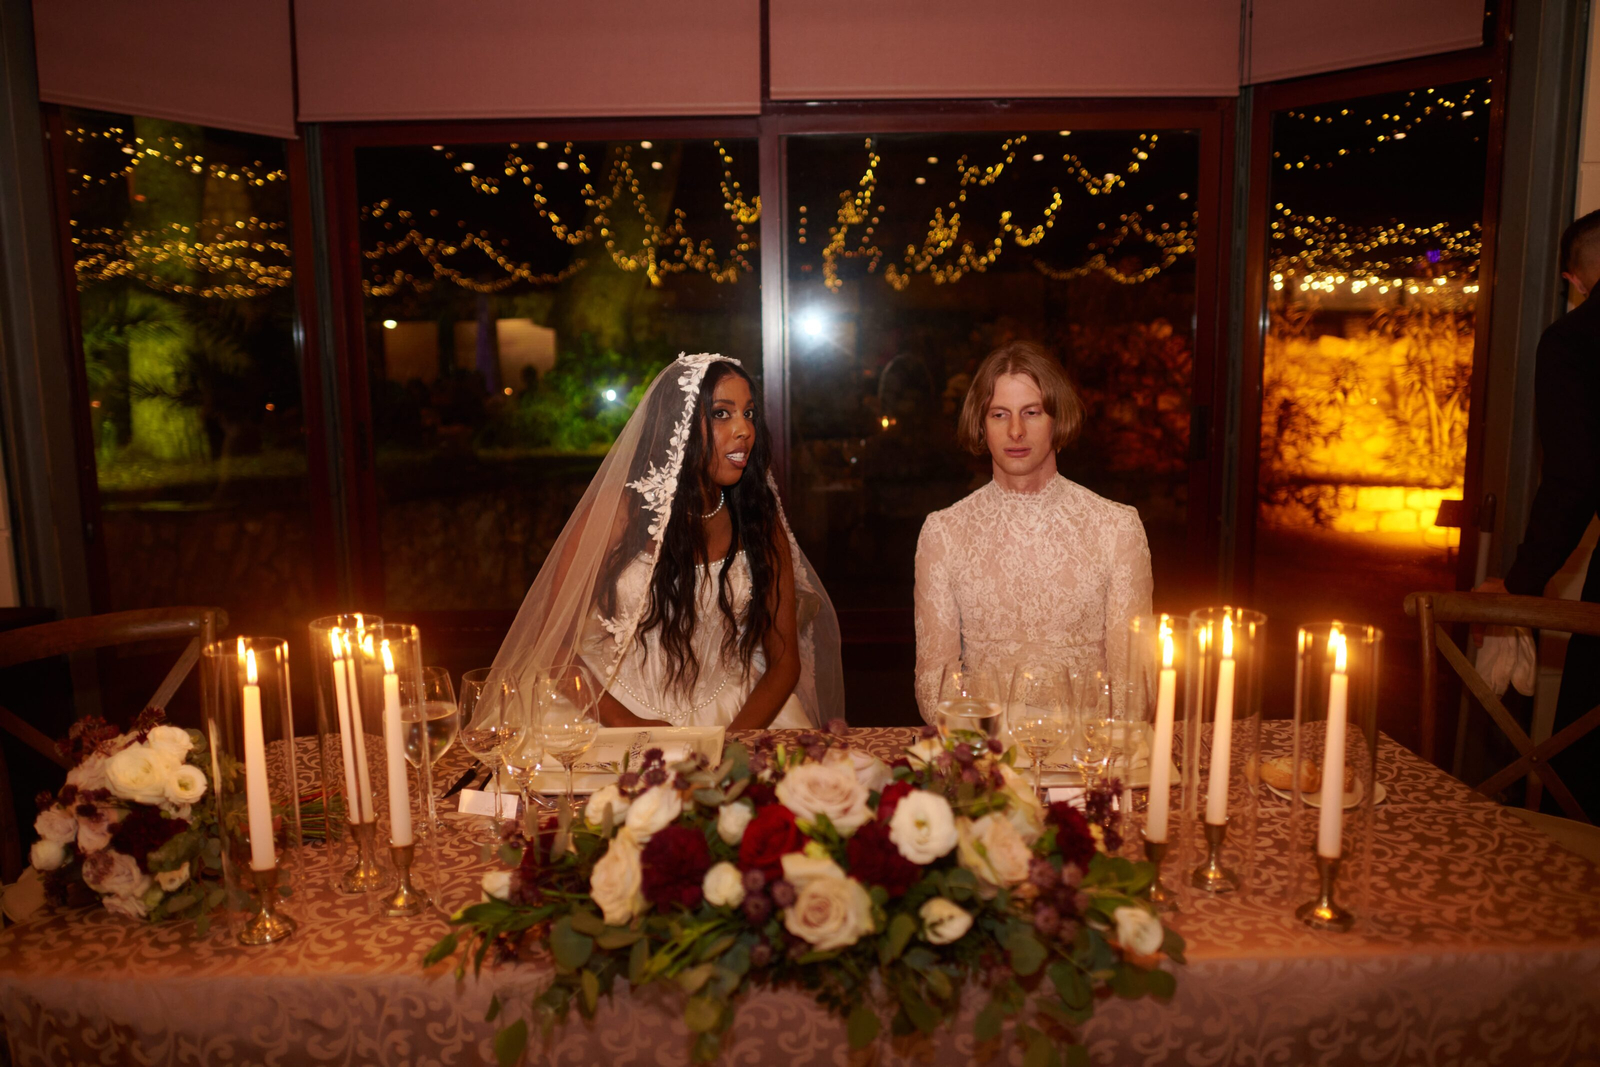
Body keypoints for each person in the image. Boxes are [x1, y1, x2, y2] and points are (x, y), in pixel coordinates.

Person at [491, 353, 842, 729]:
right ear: (679, 426)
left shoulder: (759, 518)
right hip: (605, 712)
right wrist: (632, 728)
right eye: (722, 413)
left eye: (749, 413)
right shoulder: (619, 513)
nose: (745, 429)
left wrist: (727, 747)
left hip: (737, 712)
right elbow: (554, 647)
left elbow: (784, 663)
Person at [913, 341, 1154, 721]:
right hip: (988, 762)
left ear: (1058, 418)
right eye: (999, 414)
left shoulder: (1117, 528)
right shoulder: (943, 533)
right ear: (981, 424)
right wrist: (986, 757)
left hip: (1088, 760)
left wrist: (1086, 757)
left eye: (1032, 412)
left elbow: (1134, 686)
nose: (1015, 431)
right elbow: (934, 683)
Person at [1478, 209, 1600, 814]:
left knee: (1586, 776)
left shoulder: (1577, 340)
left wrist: (1520, 584)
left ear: (1573, 280)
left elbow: (1576, 476)